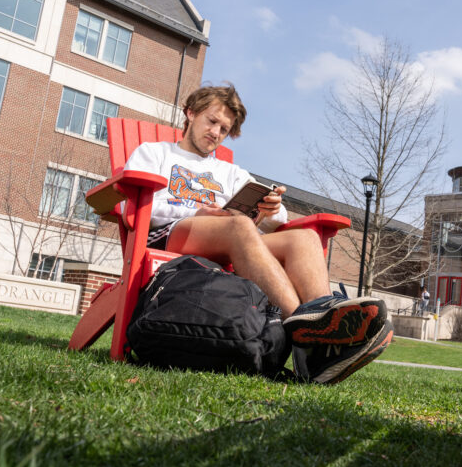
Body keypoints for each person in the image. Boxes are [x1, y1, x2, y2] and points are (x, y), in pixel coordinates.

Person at [124, 83, 392, 384]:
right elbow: (129, 205)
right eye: (212, 121)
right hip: (171, 241)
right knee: (238, 225)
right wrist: (197, 212)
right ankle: (314, 338)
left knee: (303, 237)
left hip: (229, 241)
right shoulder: (155, 153)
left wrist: (272, 207)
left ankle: (319, 335)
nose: (216, 133)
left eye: (224, 129)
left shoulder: (231, 173)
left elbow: (277, 222)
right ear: (191, 113)